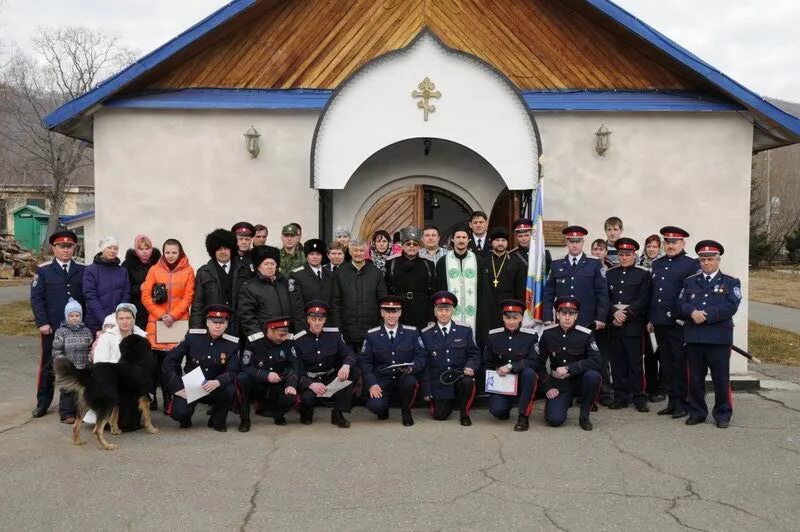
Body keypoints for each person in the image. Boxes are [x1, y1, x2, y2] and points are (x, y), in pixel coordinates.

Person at [680, 240, 741, 429]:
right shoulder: (690, 281)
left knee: (720, 378)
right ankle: (697, 412)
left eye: (710, 259)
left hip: (718, 339)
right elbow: (680, 303)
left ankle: (723, 415)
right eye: (703, 259)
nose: (706, 263)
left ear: (718, 260)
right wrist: (691, 313)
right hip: (695, 337)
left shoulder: (730, 282)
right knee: (696, 378)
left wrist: (705, 315)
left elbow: (731, 305)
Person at [30, 230, 86, 418]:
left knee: (78, 364)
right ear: (54, 248)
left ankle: (76, 406)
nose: (66, 250)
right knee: (49, 364)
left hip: (78, 328)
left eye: (69, 246)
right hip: (53, 327)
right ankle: (43, 403)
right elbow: (37, 299)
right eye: (62, 247)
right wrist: (42, 322)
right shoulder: (43, 270)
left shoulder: (83, 269)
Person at [648, 226, 700, 419]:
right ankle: (672, 402)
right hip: (660, 322)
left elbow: (690, 294)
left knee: (679, 365)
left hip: (678, 323)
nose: (670, 245)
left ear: (683, 243)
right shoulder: (658, 263)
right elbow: (654, 294)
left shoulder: (690, 264)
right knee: (667, 366)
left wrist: (681, 316)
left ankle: (683, 403)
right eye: (667, 242)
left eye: (674, 242)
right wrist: (651, 318)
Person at [162, 304, 240, 432]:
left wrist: (218, 382)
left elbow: (233, 370)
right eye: (214, 322)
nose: (218, 326)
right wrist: (177, 388)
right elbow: (169, 361)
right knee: (179, 413)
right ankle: (185, 418)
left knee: (230, 389)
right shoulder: (193, 337)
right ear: (207, 322)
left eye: (221, 322)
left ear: (226, 324)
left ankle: (216, 419)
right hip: (191, 387)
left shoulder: (232, 344)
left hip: (214, 387)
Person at [141, 238, 195, 411]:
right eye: (168, 252)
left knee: (172, 363)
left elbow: (188, 296)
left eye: (174, 252)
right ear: (163, 253)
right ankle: (152, 399)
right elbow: (146, 296)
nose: (171, 256)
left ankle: (170, 398)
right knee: (154, 364)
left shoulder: (188, 271)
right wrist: (162, 314)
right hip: (157, 322)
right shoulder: (154, 270)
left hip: (177, 322)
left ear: (180, 253)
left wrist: (173, 315)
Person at [536, 296, 602, 431]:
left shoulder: (585, 334)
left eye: (571, 314)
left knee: (593, 376)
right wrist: (548, 386)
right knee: (555, 420)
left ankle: (584, 415)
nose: (567, 317)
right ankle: (562, 403)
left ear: (576, 315)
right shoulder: (548, 334)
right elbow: (539, 363)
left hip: (579, 381)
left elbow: (596, 360)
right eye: (563, 313)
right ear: (557, 315)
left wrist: (569, 368)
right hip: (559, 383)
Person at [360, 296, 428, 426]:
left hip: (403, 375)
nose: (391, 315)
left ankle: (406, 411)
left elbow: (421, 355)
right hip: (382, 378)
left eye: (394, 311)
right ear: (382, 313)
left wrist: (412, 368)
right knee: (376, 405)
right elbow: (365, 361)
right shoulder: (372, 334)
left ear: (400, 313)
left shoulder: (411, 332)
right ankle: (383, 409)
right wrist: (372, 383)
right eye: (387, 311)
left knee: (410, 382)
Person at [294, 301, 360, 428]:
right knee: (307, 399)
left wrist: (346, 365)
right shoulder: (298, 340)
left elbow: (350, 354)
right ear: (308, 319)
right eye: (313, 319)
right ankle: (307, 412)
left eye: (320, 319)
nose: (317, 323)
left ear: (325, 320)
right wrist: (310, 384)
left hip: (329, 378)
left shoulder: (334, 335)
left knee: (353, 370)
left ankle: (338, 414)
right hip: (310, 380)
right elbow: (295, 369)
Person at [420, 291, 480, 426]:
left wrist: (470, 366)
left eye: (447, 310)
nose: (443, 314)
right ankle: (447, 401)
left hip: (459, 376)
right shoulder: (426, 334)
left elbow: (474, 354)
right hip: (439, 379)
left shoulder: (464, 330)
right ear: (435, 312)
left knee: (468, 382)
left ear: (452, 311)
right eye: (440, 310)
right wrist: (426, 389)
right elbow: (424, 364)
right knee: (440, 416)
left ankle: (464, 413)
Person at [605, 238, 651, 412]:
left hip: (633, 326)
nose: (624, 258)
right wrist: (613, 313)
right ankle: (620, 396)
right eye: (621, 254)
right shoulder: (610, 274)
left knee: (635, 363)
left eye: (627, 254)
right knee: (617, 363)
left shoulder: (643, 274)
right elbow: (605, 298)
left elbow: (643, 299)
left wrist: (625, 315)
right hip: (614, 324)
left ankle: (639, 397)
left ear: (635, 255)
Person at [436, 224, 497, 349]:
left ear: (468, 240)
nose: (461, 240)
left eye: (464, 237)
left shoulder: (478, 260)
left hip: (474, 314)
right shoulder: (443, 262)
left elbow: (484, 290)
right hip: (449, 312)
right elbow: (439, 288)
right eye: (458, 237)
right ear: (452, 240)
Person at [483, 299, 539, 431]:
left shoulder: (530, 336)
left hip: (523, 382)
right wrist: (496, 371)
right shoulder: (494, 336)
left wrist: (511, 366)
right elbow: (487, 361)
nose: (512, 322)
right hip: (503, 382)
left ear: (521, 318)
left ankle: (523, 416)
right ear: (503, 317)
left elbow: (534, 360)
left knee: (530, 373)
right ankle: (506, 407)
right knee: (497, 411)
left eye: (516, 318)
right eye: (508, 318)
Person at [236, 316, 298, 432]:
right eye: (281, 335)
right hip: (258, 383)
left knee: (291, 398)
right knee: (242, 378)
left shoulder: (288, 341)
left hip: (278, 383)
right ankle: (245, 419)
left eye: (285, 334)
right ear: (269, 331)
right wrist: (266, 375)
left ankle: (279, 415)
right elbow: (245, 366)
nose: (284, 338)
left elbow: (294, 365)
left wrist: (291, 384)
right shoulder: (254, 341)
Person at [93, 303, 150, 431]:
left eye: (128, 318)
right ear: (116, 320)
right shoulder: (106, 338)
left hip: (131, 387)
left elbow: (145, 364)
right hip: (110, 383)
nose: (125, 322)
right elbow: (99, 364)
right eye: (121, 318)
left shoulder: (142, 337)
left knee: (129, 425)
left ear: (134, 319)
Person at [543, 225, 609, 328]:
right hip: (563, 318)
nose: (574, 245)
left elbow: (602, 293)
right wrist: (547, 316)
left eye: (577, 241)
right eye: (571, 242)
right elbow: (549, 292)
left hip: (587, 319)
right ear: (567, 242)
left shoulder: (594, 263)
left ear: (583, 242)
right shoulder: (557, 264)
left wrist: (601, 317)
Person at [330, 239, 387, 353]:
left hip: (371, 329)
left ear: (366, 252)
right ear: (350, 252)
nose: (358, 253)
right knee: (349, 365)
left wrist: (381, 326)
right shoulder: (340, 272)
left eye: (361, 250)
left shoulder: (376, 273)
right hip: (348, 330)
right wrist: (338, 328)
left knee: (368, 365)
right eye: (355, 250)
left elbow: (383, 301)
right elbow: (335, 302)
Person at [238, 245, 305, 336]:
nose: (270, 267)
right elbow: (247, 317)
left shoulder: (285, 283)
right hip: (265, 337)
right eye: (266, 264)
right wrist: (259, 337)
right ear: (258, 267)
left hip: (287, 336)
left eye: (272, 263)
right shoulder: (249, 288)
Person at [384, 226, 437, 330]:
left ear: (419, 247)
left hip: (422, 311)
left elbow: (433, 291)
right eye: (408, 244)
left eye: (415, 244)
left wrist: (431, 317)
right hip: (398, 311)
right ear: (402, 246)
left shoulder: (428, 263)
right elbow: (387, 290)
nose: (411, 246)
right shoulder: (391, 263)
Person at [51, 299, 92, 424]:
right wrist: (61, 362)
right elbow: (57, 349)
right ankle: (67, 414)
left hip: (83, 366)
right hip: (67, 368)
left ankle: (82, 413)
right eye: (71, 316)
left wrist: (90, 358)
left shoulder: (86, 331)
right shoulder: (61, 332)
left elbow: (91, 347)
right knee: (67, 391)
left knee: (82, 391)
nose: (74, 318)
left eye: (77, 315)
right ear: (66, 316)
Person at [83, 236, 131, 335]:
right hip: (96, 321)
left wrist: (120, 316)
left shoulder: (122, 271)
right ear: (103, 249)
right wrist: (105, 320)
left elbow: (126, 294)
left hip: (119, 321)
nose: (112, 251)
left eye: (115, 248)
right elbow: (90, 296)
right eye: (109, 248)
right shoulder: (91, 270)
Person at [192, 229, 237, 331]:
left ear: (231, 249)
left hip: (237, 327)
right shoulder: (203, 272)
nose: (223, 252)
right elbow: (198, 305)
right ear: (213, 251)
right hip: (214, 326)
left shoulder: (241, 270)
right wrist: (196, 332)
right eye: (219, 249)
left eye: (226, 248)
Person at [637, 234, 664, 401]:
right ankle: (650, 387)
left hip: (661, 316)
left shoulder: (663, 266)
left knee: (663, 354)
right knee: (649, 354)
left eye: (654, 246)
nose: (651, 249)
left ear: (659, 248)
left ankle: (662, 388)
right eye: (648, 246)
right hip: (644, 318)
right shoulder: (639, 265)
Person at [122, 234, 161, 330]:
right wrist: (139, 287)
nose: (144, 252)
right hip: (137, 307)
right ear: (136, 249)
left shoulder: (159, 263)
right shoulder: (127, 264)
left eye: (147, 248)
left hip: (157, 305)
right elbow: (124, 288)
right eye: (141, 249)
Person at [486, 227, 526, 316]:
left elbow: (520, 290)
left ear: (507, 242)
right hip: (487, 306)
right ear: (491, 242)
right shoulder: (484, 260)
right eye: (497, 240)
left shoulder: (516, 261)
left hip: (509, 307)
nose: (500, 243)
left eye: (503, 240)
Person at [290, 239, 333, 305]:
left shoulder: (330, 274)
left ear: (322, 256)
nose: (315, 257)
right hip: (306, 314)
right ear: (306, 256)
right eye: (311, 254)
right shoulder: (297, 275)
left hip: (327, 314)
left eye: (318, 254)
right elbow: (295, 303)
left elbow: (334, 300)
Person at [230, 222, 257, 314]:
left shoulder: (256, 258)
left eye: (247, 239)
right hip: (232, 306)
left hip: (250, 307)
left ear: (251, 240)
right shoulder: (229, 259)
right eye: (240, 239)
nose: (244, 242)